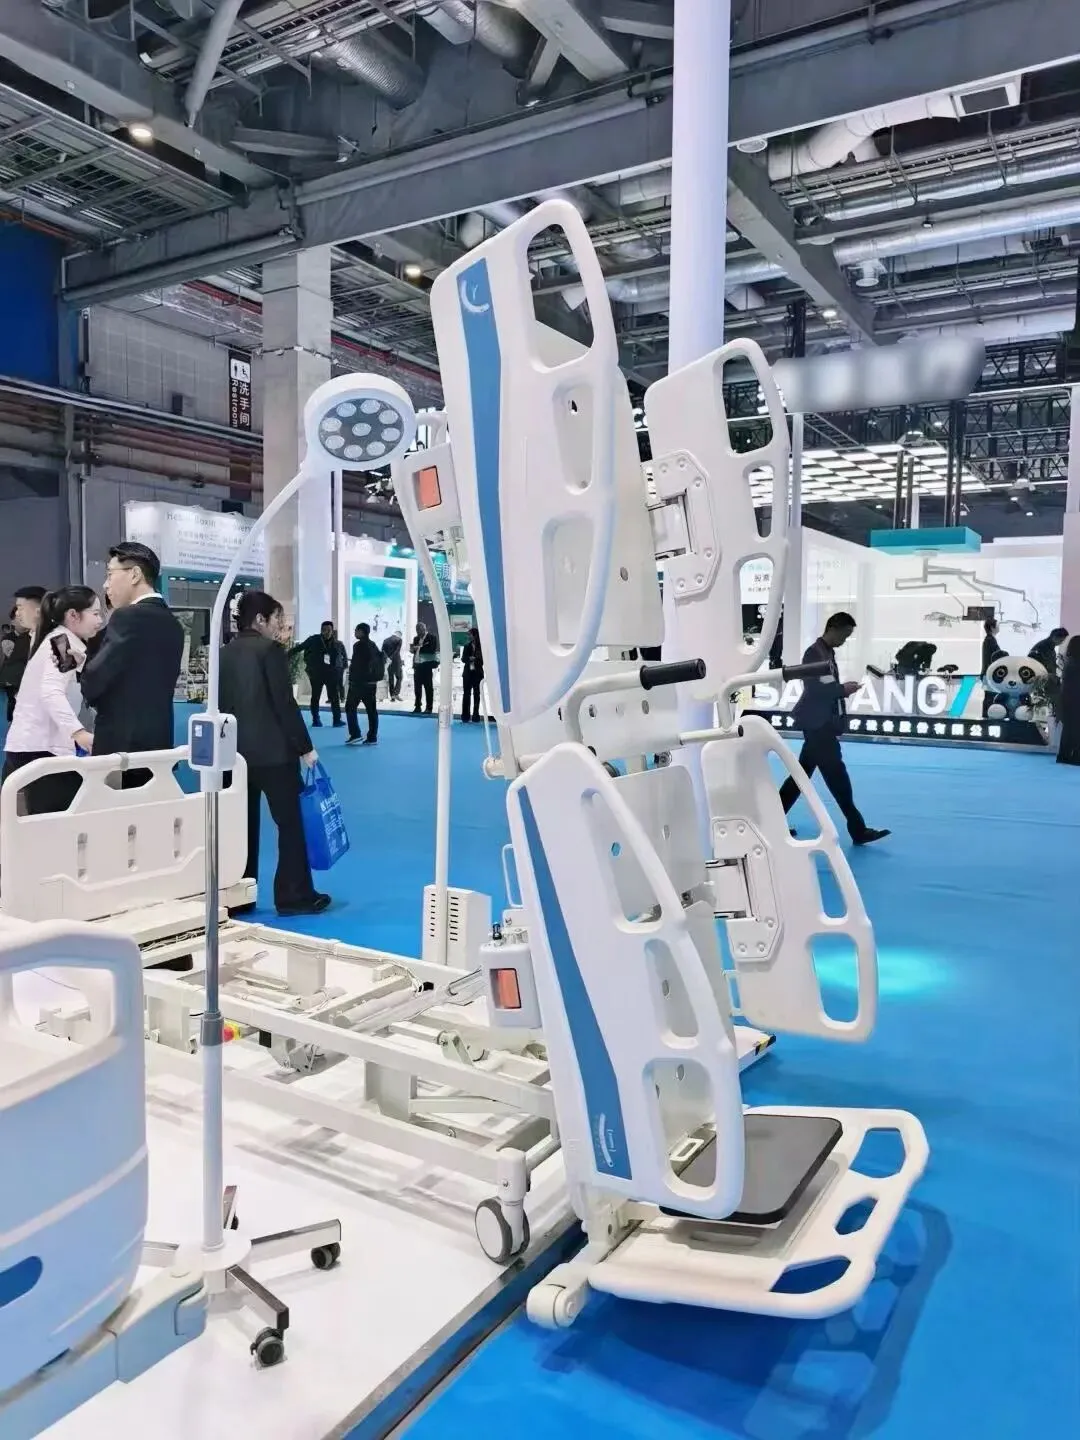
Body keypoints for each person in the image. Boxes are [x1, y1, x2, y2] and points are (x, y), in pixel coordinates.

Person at [218, 590, 330, 918]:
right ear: (260, 620)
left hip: (233, 756)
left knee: (239, 826)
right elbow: (283, 703)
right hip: (275, 755)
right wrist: (305, 747)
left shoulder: (223, 654)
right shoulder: (270, 651)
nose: (279, 626)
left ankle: (239, 895)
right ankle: (293, 895)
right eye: (276, 619)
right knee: (290, 825)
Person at [778, 611, 890, 847]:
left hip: (820, 724)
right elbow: (814, 688)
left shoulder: (826, 652)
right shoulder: (814, 653)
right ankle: (858, 830)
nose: (844, 640)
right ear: (833, 628)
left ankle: (770, 822)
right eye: (844, 635)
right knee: (837, 779)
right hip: (818, 725)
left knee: (800, 777)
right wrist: (842, 690)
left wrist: (841, 690)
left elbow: (823, 686)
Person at [80, 544, 184, 778]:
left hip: (121, 751)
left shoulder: (128, 617)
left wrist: (83, 673)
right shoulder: (172, 623)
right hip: (158, 746)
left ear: (135, 574)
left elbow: (95, 678)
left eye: (110, 574)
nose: (105, 585)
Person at [2, 587, 102, 814]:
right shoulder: (61, 643)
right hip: (40, 749)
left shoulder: (61, 641)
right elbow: (51, 691)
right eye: (95, 613)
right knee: (53, 822)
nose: (100, 620)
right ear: (73, 615)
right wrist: (78, 733)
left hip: (37, 746)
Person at [0, 586, 46, 723]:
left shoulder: (56, 639)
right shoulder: (27, 637)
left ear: (38, 610)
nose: (17, 613)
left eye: (20, 608)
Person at [345, 622, 384, 746]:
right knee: (371, 710)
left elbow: (357, 665)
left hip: (359, 683)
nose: (355, 632)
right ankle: (372, 737)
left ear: (361, 632)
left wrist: (351, 679)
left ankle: (355, 734)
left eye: (356, 630)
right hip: (371, 683)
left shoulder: (358, 646)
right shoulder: (373, 645)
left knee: (350, 707)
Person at [298, 621, 341, 728]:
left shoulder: (337, 643)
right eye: (324, 630)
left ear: (332, 631)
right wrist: (285, 656)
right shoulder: (313, 640)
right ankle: (316, 720)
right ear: (321, 630)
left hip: (331, 674)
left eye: (329, 630)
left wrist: (339, 671)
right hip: (316, 673)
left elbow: (341, 659)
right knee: (315, 696)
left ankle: (337, 720)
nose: (326, 632)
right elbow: (299, 648)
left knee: (334, 698)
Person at [1056, 634, 1080, 767]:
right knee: (1075, 729)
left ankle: (1064, 755)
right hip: (1076, 700)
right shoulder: (1076, 663)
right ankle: (1076, 756)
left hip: (1068, 699)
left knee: (1069, 729)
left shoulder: (1070, 662)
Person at [410, 621, 437, 715]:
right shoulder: (416, 638)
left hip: (426, 666)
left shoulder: (432, 638)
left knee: (428, 688)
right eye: (416, 630)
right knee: (417, 688)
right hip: (417, 666)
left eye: (419, 630)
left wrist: (419, 648)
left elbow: (431, 650)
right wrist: (413, 650)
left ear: (424, 629)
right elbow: (415, 651)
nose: (417, 632)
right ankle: (417, 706)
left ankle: (429, 708)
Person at [981, 617, 1006, 717]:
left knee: (989, 696)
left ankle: (986, 715)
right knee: (990, 697)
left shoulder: (989, 639)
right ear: (992, 627)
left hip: (987, 672)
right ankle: (986, 716)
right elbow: (996, 656)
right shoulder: (990, 640)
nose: (999, 628)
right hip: (989, 673)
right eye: (997, 626)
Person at [461, 627, 484, 723]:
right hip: (467, 673)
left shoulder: (482, 646)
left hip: (477, 673)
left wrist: (476, 659)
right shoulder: (467, 646)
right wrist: (469, 658)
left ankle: (475, 715)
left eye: (470, 634)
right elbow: (463, 659)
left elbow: (483, 660)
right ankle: (465, 716)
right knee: (466, 694)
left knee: (477, 694)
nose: (468, 636)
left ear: (475, 635)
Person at [382, 630, 404, 702]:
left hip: (389, 662)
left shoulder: (385, 640)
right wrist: (391, 658)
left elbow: (383, 651)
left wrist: (387, 658)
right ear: (399, 635)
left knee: (391, 679)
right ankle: (396, 693)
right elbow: (397, 651)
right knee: (399, 677)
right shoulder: (399, 640)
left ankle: (392, 696)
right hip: (396, 662)